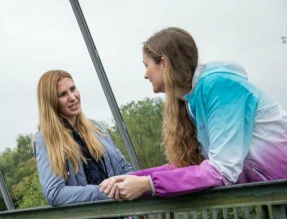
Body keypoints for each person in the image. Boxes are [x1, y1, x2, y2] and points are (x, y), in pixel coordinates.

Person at [99, 27, 287, 200]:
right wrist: (133, 179)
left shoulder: (219, 86)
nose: (145, 75)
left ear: (163, 64)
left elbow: (221, 170)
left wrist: (148, 184)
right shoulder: (193, 103)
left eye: (146, 65)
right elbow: (191, 164)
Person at [34, 70, 138, 219]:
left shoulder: (97, 128)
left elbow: (124, 166)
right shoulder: (46, 139)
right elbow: (54, 193)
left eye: (73, 89)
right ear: (51, 101)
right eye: (63, 94)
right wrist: (103, 192)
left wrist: (133, 188)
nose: (73, 97)